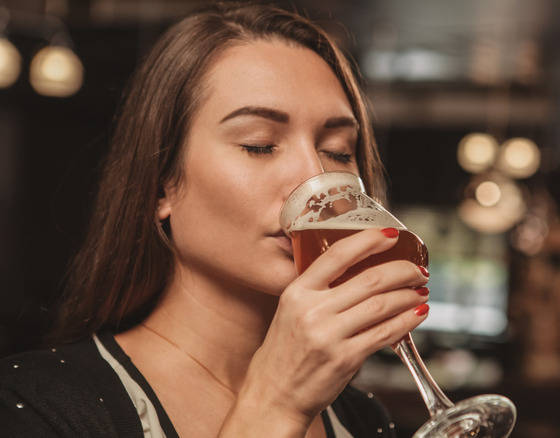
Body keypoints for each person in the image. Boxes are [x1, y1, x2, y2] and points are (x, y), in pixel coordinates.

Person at [0, 2, 431, 437]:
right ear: (159, 187)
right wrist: (276, 406)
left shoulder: (361, 420)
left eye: (338, 151)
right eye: (259, 144)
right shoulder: (37, 409)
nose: (314, 179)